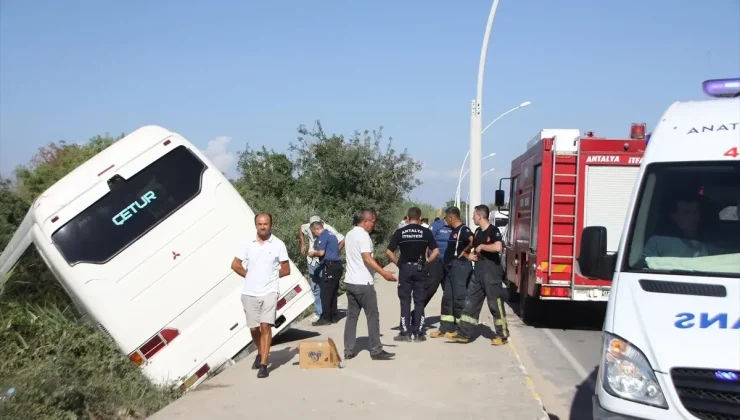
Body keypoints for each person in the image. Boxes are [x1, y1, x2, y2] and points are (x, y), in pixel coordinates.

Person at [231, 213, 290, 378]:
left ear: (271, 225)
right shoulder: (247, 244)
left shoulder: (278, 244)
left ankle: (264, 363)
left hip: (270, 292)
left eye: (265, 224)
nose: (262, 227)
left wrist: (269, 276)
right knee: (254, 328)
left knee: (265, 326)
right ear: (255, 225)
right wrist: (250, 275)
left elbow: (286, 269)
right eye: (259, 224)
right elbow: (235, 265)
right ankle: (260, 351)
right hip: (249, 293)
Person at [447, 205, 509, 345]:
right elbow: (471, 246)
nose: (473, 217)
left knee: (495, 304)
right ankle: (464, 333)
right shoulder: (477, 231)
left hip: (491, 271)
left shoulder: (493, 231)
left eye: (474, 215)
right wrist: (469, 255)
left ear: (480, 216)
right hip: (479, 270)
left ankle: (502, 335)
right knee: (470, 302)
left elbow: (498, 247)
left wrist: (483, 247)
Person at [343, 209, 396, 360]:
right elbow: (366, 258)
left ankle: (348, 350)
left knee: (351, 317)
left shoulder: (350, 234)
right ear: (365, 221)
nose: (374, 225)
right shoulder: (363, 236)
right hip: (363, 283)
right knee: (373, 316)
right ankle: (376, 350)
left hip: (351, 282)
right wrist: (384, 273)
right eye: (373, 222)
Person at [385, 207, 439, 342]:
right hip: (420, 269)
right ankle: (419, 333)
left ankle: (405, 332)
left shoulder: (400, 232)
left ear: (408, 218)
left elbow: (389, 251)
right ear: (420, 218)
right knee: (419, 301)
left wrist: (398, 263)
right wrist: (427, 262)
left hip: (405, 269)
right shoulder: (426, 232)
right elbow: (436, 251)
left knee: (405, 301)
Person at [429, 207, 474, 339]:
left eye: (446, 218)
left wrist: (466, 253)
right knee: (448, 298)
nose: (445, 220)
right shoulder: (454, 231)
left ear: (451, 218)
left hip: (460, 267)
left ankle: (462, 331)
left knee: (460, 298)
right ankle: (445, 328)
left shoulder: (464, 230)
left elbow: (473, 240)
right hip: (450, 267)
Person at [299, 216, 344, 322]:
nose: (313, 233)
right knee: (316, 288)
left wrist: (332, 253)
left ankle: (326, 315)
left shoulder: (328, 231)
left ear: (319, 225)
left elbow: (342, 240)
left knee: (326, 290)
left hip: (325, 262)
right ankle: (321, 313)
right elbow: (300, 228)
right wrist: (303, 243)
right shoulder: (309, 228)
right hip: (313, 262)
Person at [424, 209, 452, 308]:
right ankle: (417, 314)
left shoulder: (455, 227)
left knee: (449, 292)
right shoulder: (436, 225)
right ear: (448, 217)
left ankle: (448, 318)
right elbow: (426, 242)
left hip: (449, 264)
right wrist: (426, 258)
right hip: (436, 263)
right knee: (430, 289)